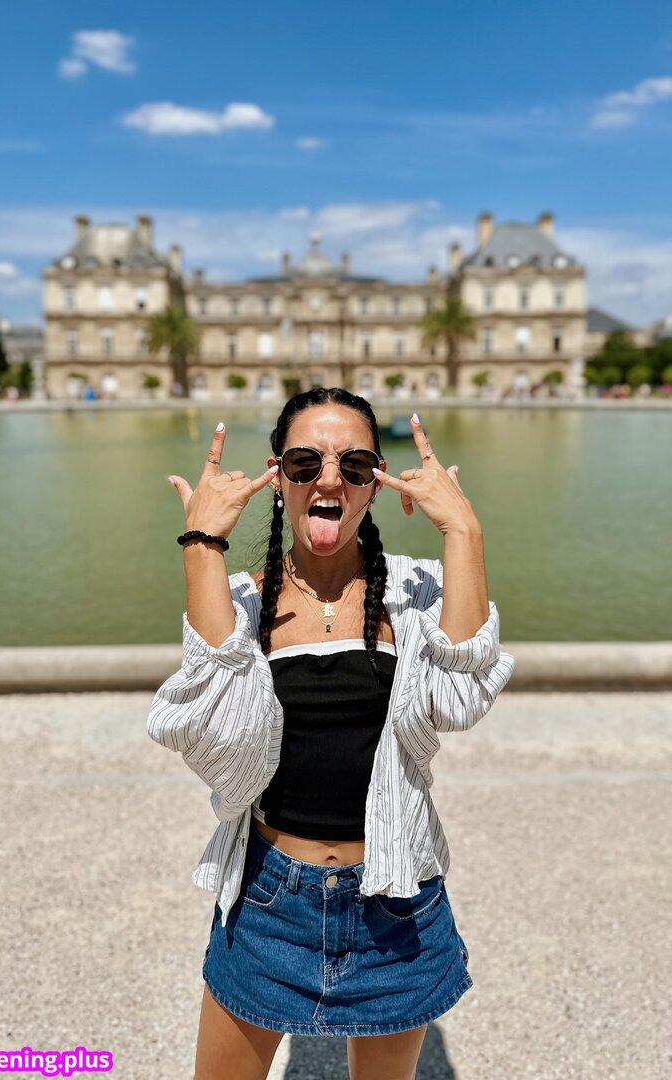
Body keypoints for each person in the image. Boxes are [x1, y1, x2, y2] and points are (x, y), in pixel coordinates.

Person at [147, 387, 515, 1079]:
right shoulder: (242, 601)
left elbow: (461, 696)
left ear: (378, 481)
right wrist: (202, 546)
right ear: (276, 475)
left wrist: (464, 532)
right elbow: (211, 734)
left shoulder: (416, 594)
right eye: (304, 462)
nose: (328, 479)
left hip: (397, 900)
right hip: (268, 900)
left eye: (354, 465)